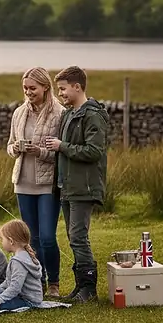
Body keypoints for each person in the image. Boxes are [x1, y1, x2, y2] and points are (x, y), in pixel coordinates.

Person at [45, 66, 110, 303]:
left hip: (83, 186)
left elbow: (94, 151)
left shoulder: (93, 115)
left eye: (62, 89)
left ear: (77, 87)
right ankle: (80, 287)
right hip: (67, 186)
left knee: (78, 236)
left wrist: (61, 146)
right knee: (74, 238)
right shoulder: (70, 114)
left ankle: (89, 290)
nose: (60, 94)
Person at [6, 67, 64, 299]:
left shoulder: (59, 113)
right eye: (25, 88)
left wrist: (39, 151)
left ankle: (54, 283)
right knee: (30, 239)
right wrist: (16, 149)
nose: (28, 92)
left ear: (45, 87)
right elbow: (9, 146)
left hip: (48, 184)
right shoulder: (19, 113)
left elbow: (62, 152)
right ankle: (36, 282)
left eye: (33, 88)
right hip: (23, 183)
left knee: (48, 237)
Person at [0, 220, 44, 311]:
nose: (2, 242)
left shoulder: (19, 262)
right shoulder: (22, 256)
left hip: (28, 300)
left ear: (11, 241)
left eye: (3, 239)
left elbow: (15, 288)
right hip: (20, 295)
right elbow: (8, 282)